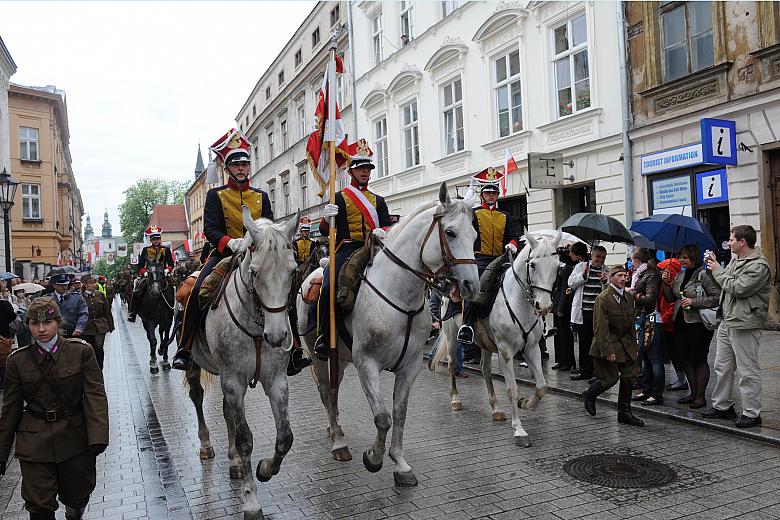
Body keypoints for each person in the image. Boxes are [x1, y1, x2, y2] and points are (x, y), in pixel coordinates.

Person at [174, 128, 311, 377]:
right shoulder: (215, 195)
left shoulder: (260, 196)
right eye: (236, 165)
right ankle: (185, 347)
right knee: (198, 291)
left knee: (284, 291)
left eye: (244, 164)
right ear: (227, 168)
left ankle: (295, 350)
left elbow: (269, 226)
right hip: (225, 254)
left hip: (258, 255)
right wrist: (229, 242)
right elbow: (210, 229)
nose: (241, 168)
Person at [0, 296, 109, 520]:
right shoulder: (17, 361)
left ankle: (74, 510)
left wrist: (98, 436)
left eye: (47, 323)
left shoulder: (81, 352)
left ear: (58, 323)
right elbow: (10, 410)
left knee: (77, 496)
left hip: (74, 436)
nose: (41, 329)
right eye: (35, 323)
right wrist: (1, 454)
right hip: (34, 442)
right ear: (28, 325)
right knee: (39, 506)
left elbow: (95, 395)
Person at [313, 145, 392, 360]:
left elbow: (387, 225)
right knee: (328, 287)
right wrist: (326, 217)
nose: (365, 172)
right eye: (360, 169)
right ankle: (323, 335)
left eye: (368, 169)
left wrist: (383, 231)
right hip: (346, 248)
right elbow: (324, 231)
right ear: (351, 172)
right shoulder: (339, 197)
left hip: (373, 248)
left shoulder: (378, 200)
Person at [703, 225, 771, 428]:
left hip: (745, 322)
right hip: (727, 320)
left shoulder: (759, 265)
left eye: (731, 239)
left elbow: (738, 288)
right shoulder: (736, 260)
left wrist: (718, 269)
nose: (728, 243)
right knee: (722, 366)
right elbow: (724, 285)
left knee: (747, 369)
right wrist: (713, 269)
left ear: (743, 242)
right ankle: (722, 405)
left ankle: (752, 413)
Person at [456, 167, 522, 352]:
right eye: (488, 193)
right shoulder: (474, 214)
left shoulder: (505, 216)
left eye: (494, 193)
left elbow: (514, 236)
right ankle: (467, 325)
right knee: (473, 288)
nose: (491, 195)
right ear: (482, 195)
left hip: (502, 258)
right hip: (481, 259)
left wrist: (513, 244)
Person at [582, 265, 644, 427]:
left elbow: (631, 326)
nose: (623, 279)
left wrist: (635, 347)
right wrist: (608, 350)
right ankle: (590, 394)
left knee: (629, 376)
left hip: (626, 344)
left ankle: (624, 413)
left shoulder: (628, 297)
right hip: (608, 343)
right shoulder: (603, 298)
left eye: (625, 275)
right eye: (619, 276)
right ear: (611, 278)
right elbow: (600, 328)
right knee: (610, 379)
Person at [661, 245, 720, 408]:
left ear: (694, 258)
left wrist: (694, 302)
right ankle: (692, 393)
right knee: (685, 358)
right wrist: (666, 283)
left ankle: (700, 397)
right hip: (680, 322)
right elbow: (671, 297)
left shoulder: (704, 275)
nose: (681, 260)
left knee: (698, 358)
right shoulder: (679, 275)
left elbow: (716, 297)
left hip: (698, 324)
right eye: (680, 256)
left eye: (685, 257)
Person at [628, 249, 664, 405]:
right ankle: (646, 390)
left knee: (654, 358)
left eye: (632, 260)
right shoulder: (641, 274)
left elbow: (650, 299)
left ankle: (656, 394)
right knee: (644, 356)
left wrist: (633, 293)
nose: (631, 263)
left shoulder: (651, 274)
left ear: (637, 260)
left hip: (652, 318)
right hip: (642, 317)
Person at [568, 243, 607, 381]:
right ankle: (585, 371)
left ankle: (597, 372)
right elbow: (570, 282)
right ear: (592, 255)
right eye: (598, 257)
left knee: (598, 343)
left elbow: (610, 290)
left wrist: (605, 281)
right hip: (583, 311)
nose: (600, 260)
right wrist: (583, 275)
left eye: (603, 258)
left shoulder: (606, 271)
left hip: (598, 314)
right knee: (584, 343)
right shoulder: (581, 267)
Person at [127, 226, 174, 322]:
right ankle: (133, 313)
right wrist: (144, 272)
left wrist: (167, 270)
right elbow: (140, 265)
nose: (156, 241)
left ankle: (174, 310)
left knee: (174, 287)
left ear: (160, 239)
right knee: (137, 291)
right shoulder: (145, 250)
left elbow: (171, 264)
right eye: (154, 239)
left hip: (163, 274)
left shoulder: (166, 250)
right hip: (149, 274)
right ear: (151, 240)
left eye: (158, 239)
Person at [79, 275, 114, 370]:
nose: (95, 284)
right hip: (86, 327)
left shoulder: (100, 295)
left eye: (95, 282)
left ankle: (99, 369)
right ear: (85, 284)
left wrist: (111, 325)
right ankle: (89, 369)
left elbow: (107, 310)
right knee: (88, 349)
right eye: (92, 283)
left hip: (100, 326)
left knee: (99, 347)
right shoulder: (80, 297)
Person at [551, 246, 576, 371]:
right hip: (558, 304)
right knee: (558, 334)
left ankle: (567, 361)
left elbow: (564, 290)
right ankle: (561, 360)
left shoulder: (567, 269)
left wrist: (560, 308)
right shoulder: (562, 268)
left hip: (563, 307)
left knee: (564, 335)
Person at [50, 274, 88, 339]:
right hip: (52, 334)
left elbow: (84, 313)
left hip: (72, 333)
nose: (63, 287)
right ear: (54, 285)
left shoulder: (76, 298)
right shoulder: (48, 299)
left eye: (65, 284)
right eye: (60, 285)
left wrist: (79, 328)